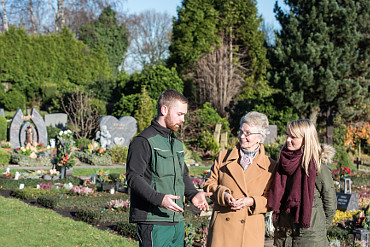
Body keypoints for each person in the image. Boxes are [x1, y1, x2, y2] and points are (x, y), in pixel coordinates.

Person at [126, 90, 212, 247]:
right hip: (153, 220)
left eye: (184, 115)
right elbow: (133, 177)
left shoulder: (176, 143)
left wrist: (193, 194)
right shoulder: (143, 141)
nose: (183, 119)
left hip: (176, 220)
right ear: (164, 110)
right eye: (179, 114)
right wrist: (159, 199)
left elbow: (183, 175)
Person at [203, 111, 276, 247]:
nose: (242, 137)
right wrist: (223, 194)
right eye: (241, 131)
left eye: (248, 133)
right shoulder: (223, 157)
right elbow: (208, 184)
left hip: (250, 231)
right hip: (222, 229)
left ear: (260, 137)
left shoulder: (270, 166)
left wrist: (252, 201)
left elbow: (272, 199)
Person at [267, 119, 337, 247]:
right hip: (284, 234)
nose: (288, 139)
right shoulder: (283, 161)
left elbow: (330, 203)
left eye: (293, 137)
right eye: (288, 135)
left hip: (310, 237)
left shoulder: (318, 165)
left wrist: (319, 228)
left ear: (306, 138)